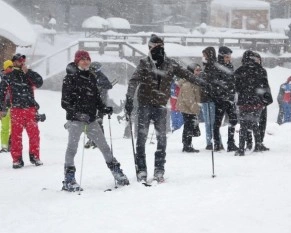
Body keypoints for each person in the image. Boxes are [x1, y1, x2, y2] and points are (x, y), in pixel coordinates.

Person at [124, 34, 208, 183]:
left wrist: (202, 83)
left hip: (161, 106)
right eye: (155, 46)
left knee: (161, 139)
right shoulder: (144, 63)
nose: (158, 49)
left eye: (160, 46)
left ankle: (159, 169)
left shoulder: (170, 63)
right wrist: (130, 98)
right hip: (144, 104)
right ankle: (141, 170)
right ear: (149, 48)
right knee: (141, 139)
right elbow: (133, 81)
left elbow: (187, 75)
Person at [61, 50, 129, 191]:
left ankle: (117, 172)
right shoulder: (70, 78)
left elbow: (96, 99)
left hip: (91, 120)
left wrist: (104, 109)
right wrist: (78, 114)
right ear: (77, 61)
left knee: (104, 146)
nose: (85, 61)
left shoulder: (92, 77)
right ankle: (69, 180)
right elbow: (65, 102)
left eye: (87, 59)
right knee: (72, 148)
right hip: (75, 120)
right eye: (82, 59)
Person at [0, 54, 43, 168]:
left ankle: (35, 156)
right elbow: (2, 93)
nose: (22, 63)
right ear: (13, 62)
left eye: (23, 61)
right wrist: (1, 108)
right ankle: (17, 159)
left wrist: (28, 72)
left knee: (34, 135)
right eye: (19, 61)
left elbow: (39, 82)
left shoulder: (28, 74)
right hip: (16, 109)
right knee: (16, 135)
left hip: (30, 109)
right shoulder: (9, 76)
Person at [234, 50, 273, 156]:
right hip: (257, 102)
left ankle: (241, 149)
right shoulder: (261, 70)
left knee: (243, 125)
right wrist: (264, 99)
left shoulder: (239, 71)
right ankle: (258, 144)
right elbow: (265, 86)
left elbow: (236, 87)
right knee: (255, 123)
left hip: (243, 102)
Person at [211, 46, 239, 152]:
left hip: (230, 99)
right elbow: (215, 83)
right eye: (227, 57)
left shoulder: (230, 66)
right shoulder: (216, 67)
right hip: (220, 99)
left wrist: (232, 93)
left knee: (233, 120)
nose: (229, 59)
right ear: (221, 56)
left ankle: (230, 143)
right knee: (217, 122)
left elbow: (232, 82)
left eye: (229, 57)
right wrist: (221, 94)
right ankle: (217, 143)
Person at [84, 61, 113, 149]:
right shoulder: (88, 76)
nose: (91, 70)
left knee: (99, 122)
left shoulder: (101, 76)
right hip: (90, 103)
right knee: (89, 122)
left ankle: (100, 141)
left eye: (93, 69)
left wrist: (98, 84)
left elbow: (109, 85)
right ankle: (91, 139)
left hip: (101, 103)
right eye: (91, 68)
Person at [201, 46, 223, 151]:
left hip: (211, 98)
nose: (203, 57)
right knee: (210, 122)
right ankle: (211, 142)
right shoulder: (208, 66)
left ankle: (214, 142)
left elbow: (213, 82)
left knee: (212, 122)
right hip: (207, 98)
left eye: (204, 55)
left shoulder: (212, 67)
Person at [176, 63, 202, 153]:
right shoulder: (188, 83)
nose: (199, 72)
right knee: (188, 126)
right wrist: (195, 109)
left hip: (189, 107)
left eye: (199, 70)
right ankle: (187, 145)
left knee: (189, 126)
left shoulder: (193, 81)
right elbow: (189, 99)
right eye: (197, 70)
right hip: (187, 108)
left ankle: (187, 144)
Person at [0, 60, 13, 153]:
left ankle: (10, 144)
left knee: (13, 127)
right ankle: (4, 146)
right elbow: (1, 95)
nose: (11, 69)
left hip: (13, 106)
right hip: (4, 107)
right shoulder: (3, 80)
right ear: (6, 68)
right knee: (5, 127)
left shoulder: (14, 77)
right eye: (9, 67)